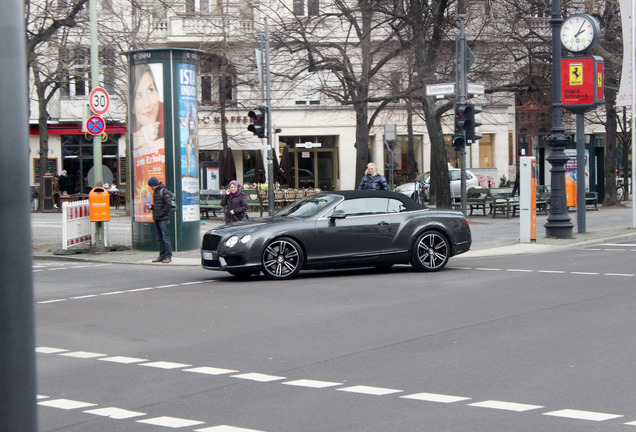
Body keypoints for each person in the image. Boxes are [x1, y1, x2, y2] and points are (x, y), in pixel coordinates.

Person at [132, 64, 165, 150]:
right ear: (132, 108)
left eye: (150, 90)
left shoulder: (170, 114)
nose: (147, 104)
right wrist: (141, 138)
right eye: (138, 96)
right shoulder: (130, 123)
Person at [145, 177, 173, 263]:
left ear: (154, 185)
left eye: (151, 186)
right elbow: (160, 205)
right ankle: (162, 256)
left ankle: (168, 256)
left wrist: (160, 214)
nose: (150, 188)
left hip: (163, 218)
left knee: (165, 238)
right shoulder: (156, 192)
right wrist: (152, 207)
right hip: (158, 218)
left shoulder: (164, 191)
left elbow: (168, 204)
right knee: (160, 238)